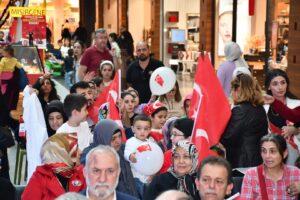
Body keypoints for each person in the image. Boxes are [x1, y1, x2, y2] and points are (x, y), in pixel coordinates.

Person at [80, 119, 138, 198]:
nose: (118, 141)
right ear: (103, 137)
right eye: (113, 138)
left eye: (119, 136)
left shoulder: (122, 149)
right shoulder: (90, 155)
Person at [220, 74, 268, 168]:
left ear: (238, 90)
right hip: (257, 159)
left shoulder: (240, 111)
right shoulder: (259, 108)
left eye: (232, 90)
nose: (231, 94)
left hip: (242, 162)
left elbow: (228, 137)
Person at [22, 133, 86, 199]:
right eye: (76, 149)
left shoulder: (83, 173)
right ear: (62, 154)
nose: (81, 152)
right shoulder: (39, 178)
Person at [240, 134, 300, 199]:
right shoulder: (251, 175)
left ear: (284, 153)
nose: (267, 156)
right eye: (264, 151)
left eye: (272, 151)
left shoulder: (295, 173)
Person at [264, 69, 300, 165]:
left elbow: (295, 118)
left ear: (287, 84)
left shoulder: (297, 104)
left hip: (294, 154)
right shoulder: (263, 107)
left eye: (283, 83)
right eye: (275, 84)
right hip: (269, 154)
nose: (280, 87)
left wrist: (295, 130)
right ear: (268, 87)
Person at [124, 114, 153, 198]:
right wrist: (130, 156)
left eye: (146, 129)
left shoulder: (151, 143)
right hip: (136, 177)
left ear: (150, 130)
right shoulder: (131, 141)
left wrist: (153, 173)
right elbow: (126, 152)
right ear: (133, 129)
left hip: (148, 178)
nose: (142, 131)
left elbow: (154, 160)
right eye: (139, 128)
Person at [0, 45, 22, 111]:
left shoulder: (3, 59)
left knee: (2, 82)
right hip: (10, 75)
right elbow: (19, 66)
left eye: (3, 52)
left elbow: (0, 67)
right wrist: (24, 69)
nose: (2, 53)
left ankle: (3, 87)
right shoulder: (14, 60)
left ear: (7, 52)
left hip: (4, 76)